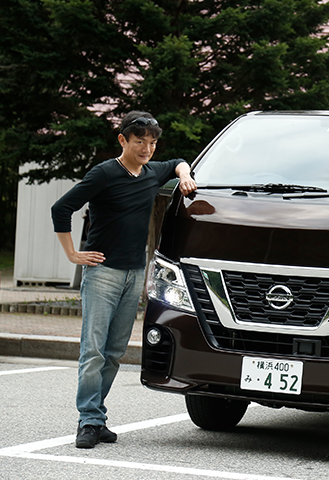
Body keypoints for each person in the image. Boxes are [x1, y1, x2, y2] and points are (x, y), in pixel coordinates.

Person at [51, 111, 197, 448]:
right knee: (93, 351)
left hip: (134, 274)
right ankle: (87, 421)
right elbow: (61, 209)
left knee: (115, 352)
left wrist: (185, 174)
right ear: (123, 140)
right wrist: (73, 254)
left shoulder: (151, 172)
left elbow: (177, 161)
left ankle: (96, 417)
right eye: (139, 141)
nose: (147, 148)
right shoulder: (104, 173)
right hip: (103, 274)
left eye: (152, 142)